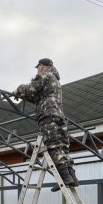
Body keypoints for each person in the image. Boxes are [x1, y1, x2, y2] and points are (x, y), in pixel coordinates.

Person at [11, 58, 79, 191]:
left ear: (41, 66)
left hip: (47, 115)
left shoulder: (44, 75)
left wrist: (18, 90)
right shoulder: (55, 80)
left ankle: (65, 178)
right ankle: (72, 176)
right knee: (63, 146)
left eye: (38, 67)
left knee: (53, 146)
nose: (37, 70)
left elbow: (31, 89)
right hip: (59, 115)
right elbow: (37, 95)